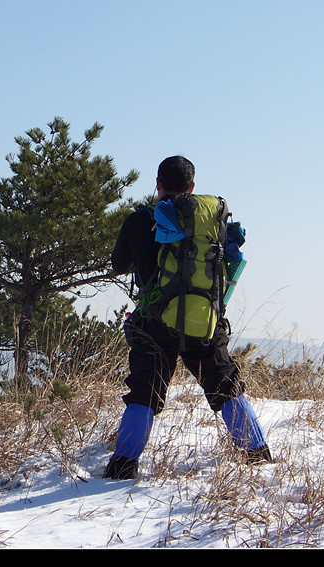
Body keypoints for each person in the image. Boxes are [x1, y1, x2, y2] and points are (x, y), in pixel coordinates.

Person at [104, 155, 273, 480]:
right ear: (192, 188)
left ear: (157, 185)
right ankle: (258, 457)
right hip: (204, 322)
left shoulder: (141, 220)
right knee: (226, 385)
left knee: (145, 392)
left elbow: (119, 265)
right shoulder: (210, 222)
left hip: (154, 324)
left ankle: (122, 467)